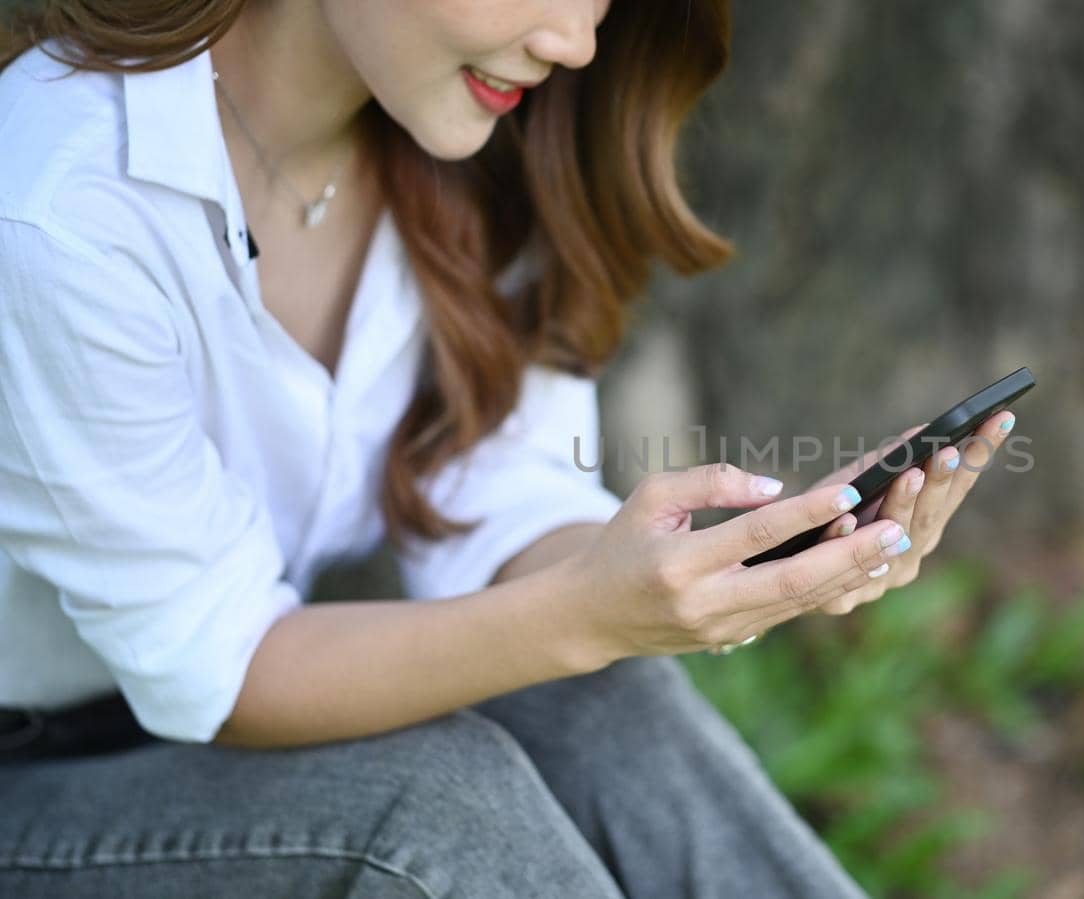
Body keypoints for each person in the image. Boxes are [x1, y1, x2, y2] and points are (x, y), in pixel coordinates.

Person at [0, 1, 1019, 896]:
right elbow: (216, 669)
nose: (573, 40)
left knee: (605, 694)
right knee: (434, 803)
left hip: (237, 700)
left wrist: (705, 567)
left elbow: (491, 489)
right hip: (34, 783)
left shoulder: (456, 135)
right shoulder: (61, 209)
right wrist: (585, 613)